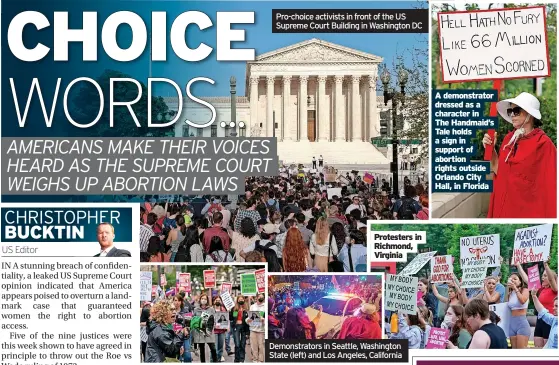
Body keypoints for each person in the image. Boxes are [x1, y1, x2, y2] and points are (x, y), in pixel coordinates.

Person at [484, 92, 556, 218]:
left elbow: (550, 186)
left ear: (530, 114)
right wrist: (491, 149)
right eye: (510, 111)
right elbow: (499, 171)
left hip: (526, 211)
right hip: (504, 209)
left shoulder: (543, 144)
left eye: (516, 110)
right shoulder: (508, 139)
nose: (512, 115)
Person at [516, 258, 558, 347]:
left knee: (548, 346)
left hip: (550, 320)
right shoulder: (541, 289)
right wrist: (518, 265)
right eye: (542, 275)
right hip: (540, 319)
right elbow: (527, 279)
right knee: (537, 346)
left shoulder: (555, 290)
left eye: (545, 276)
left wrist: (546, 265)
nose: (543, 277)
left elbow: (551, 280)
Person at [505, 272, 530, 349]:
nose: (512, 280)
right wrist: (508, 288)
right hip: (512, 323)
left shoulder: (525, 290)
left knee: (521, 351)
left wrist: (515, 288)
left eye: (515, 279)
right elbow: (505, 304)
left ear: (520, 281)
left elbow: (522, 300)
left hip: (521, 323)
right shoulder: (510, 293)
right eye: (511, 279)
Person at [192, 294, 217, 362]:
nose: (203, 300)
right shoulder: (196, 309)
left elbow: (214, 318)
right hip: (200, 332)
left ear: (207, 300)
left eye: (205, 299)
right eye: (202, 298)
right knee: (202, 350)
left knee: (213, 349)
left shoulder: (211, 309)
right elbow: (193, 320)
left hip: (209, 332)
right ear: (200, 300)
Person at [247, 293, 266, 362]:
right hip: (253, 329)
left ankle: (261, 361)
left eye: (262, 296)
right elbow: (248, 317)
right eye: (260, 296)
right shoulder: (252, 306)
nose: (261, 297)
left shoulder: (265, 307)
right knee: (254, 347)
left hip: (261, 330)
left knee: (261, 347)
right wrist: (248, 320)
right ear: (257, 297)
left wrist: (263, 319)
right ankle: (255, 360)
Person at [230, 295, 249, 363]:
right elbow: (231, 319)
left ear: (244, 300)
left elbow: (248, 321)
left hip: (244, 328)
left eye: (242, 299)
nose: (241, 300)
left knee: (243, 345)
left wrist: (247, 333)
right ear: (237, 300)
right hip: (236, 327)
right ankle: (236, 360)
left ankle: (242, 359)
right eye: (239, 299)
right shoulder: (233, 309)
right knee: (237, 344)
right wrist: (233, 326)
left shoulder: (246, 309)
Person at [212, 297, 228, 362]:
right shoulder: (211, 309)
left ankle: (219, 358)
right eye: (216, 300)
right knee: (215, 347)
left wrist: (227, 326)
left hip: (222, 331)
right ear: (214, 301)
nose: (218, 301)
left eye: (219, 300)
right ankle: (214, 360)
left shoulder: (223, 309)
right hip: (214, 331)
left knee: (221, 347)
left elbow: (226, 319)